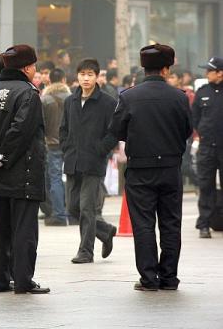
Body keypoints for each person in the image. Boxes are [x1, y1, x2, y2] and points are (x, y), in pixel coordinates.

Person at [109, 44, 192, 291]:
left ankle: (148, 278)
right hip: (170, 167)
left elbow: (117, 131)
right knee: (170, 223)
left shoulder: (128, 96)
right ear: (166, 69)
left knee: (143, 224)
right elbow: (187, 130)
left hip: (140, 169)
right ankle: (169, 278)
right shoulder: (179, 96)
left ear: (143, 68)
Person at [0, 44, 49, 294]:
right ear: (27, 68)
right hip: (22, 172)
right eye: (34, 66)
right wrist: (4, 156)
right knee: (24, 229)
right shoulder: (28, 93)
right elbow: (21, 131)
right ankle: (23, 281)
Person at [60, 59, 118, 263]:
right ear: (77, 76)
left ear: (96, 76)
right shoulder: (70, 101)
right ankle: (105, 231)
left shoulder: (108, 102)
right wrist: (66, 149)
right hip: (73, 162)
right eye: (82, 74)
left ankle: (86, 251)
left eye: (90, 74)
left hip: (93, 163)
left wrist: (100, 150)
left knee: (86, 208)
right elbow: (63, 129)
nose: (86, 78)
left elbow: (113, 133)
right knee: (72, 208)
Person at [192, 56, 223, 239]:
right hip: (207, 148)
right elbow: (195, 117)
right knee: (206, 186)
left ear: (220, 73)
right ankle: (204, 223)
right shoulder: (203, 92)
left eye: (209, 70)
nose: (206, 74)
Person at [41, 68, 71, 226]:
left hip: (52, 145)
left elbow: (40, 123)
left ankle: (58, 214)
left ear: (50, 80)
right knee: (73, 178)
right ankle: (73, 214)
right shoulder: (72, 98)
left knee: (55, 179)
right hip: (70, 144)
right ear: (64, 80)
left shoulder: (45, 99)